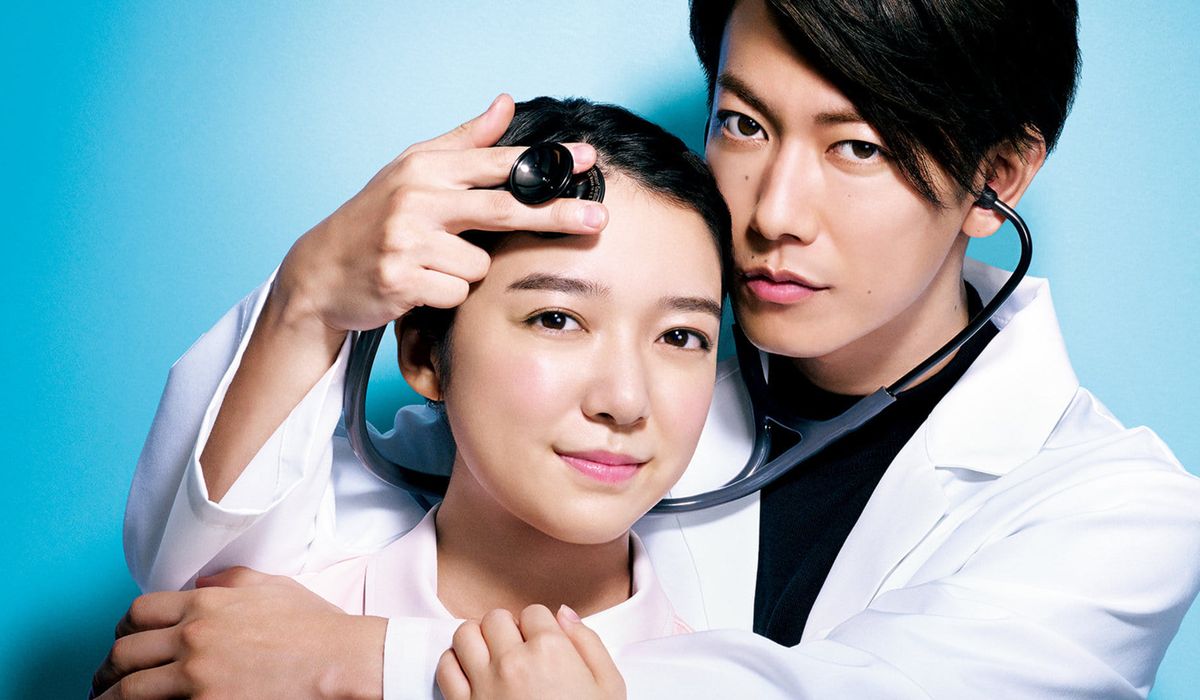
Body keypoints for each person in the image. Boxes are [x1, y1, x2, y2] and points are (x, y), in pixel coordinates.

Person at [98, 0, 1200, 698]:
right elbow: (212, 597)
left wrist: (370, 662)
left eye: (858, 146)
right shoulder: (633, 365)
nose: (774, 211)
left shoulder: (1118, 509)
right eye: (744, 124)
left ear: (998, 176)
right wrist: (309, 297)